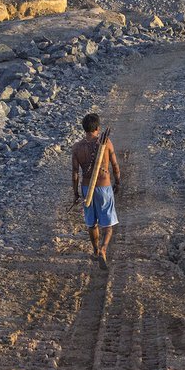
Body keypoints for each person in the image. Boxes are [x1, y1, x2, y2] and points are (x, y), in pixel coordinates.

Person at [72, 113, 120, 270]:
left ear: (84, 128)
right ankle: (104, 249)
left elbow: (75, 173)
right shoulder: (106, 143)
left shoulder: (77, 147)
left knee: (91, 223)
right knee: (107, 223)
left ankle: (95, 250)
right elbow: (115, 165)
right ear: (98, 128)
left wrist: (76, 193)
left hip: (87, 189)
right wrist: (117, 182)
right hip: (104, 187)